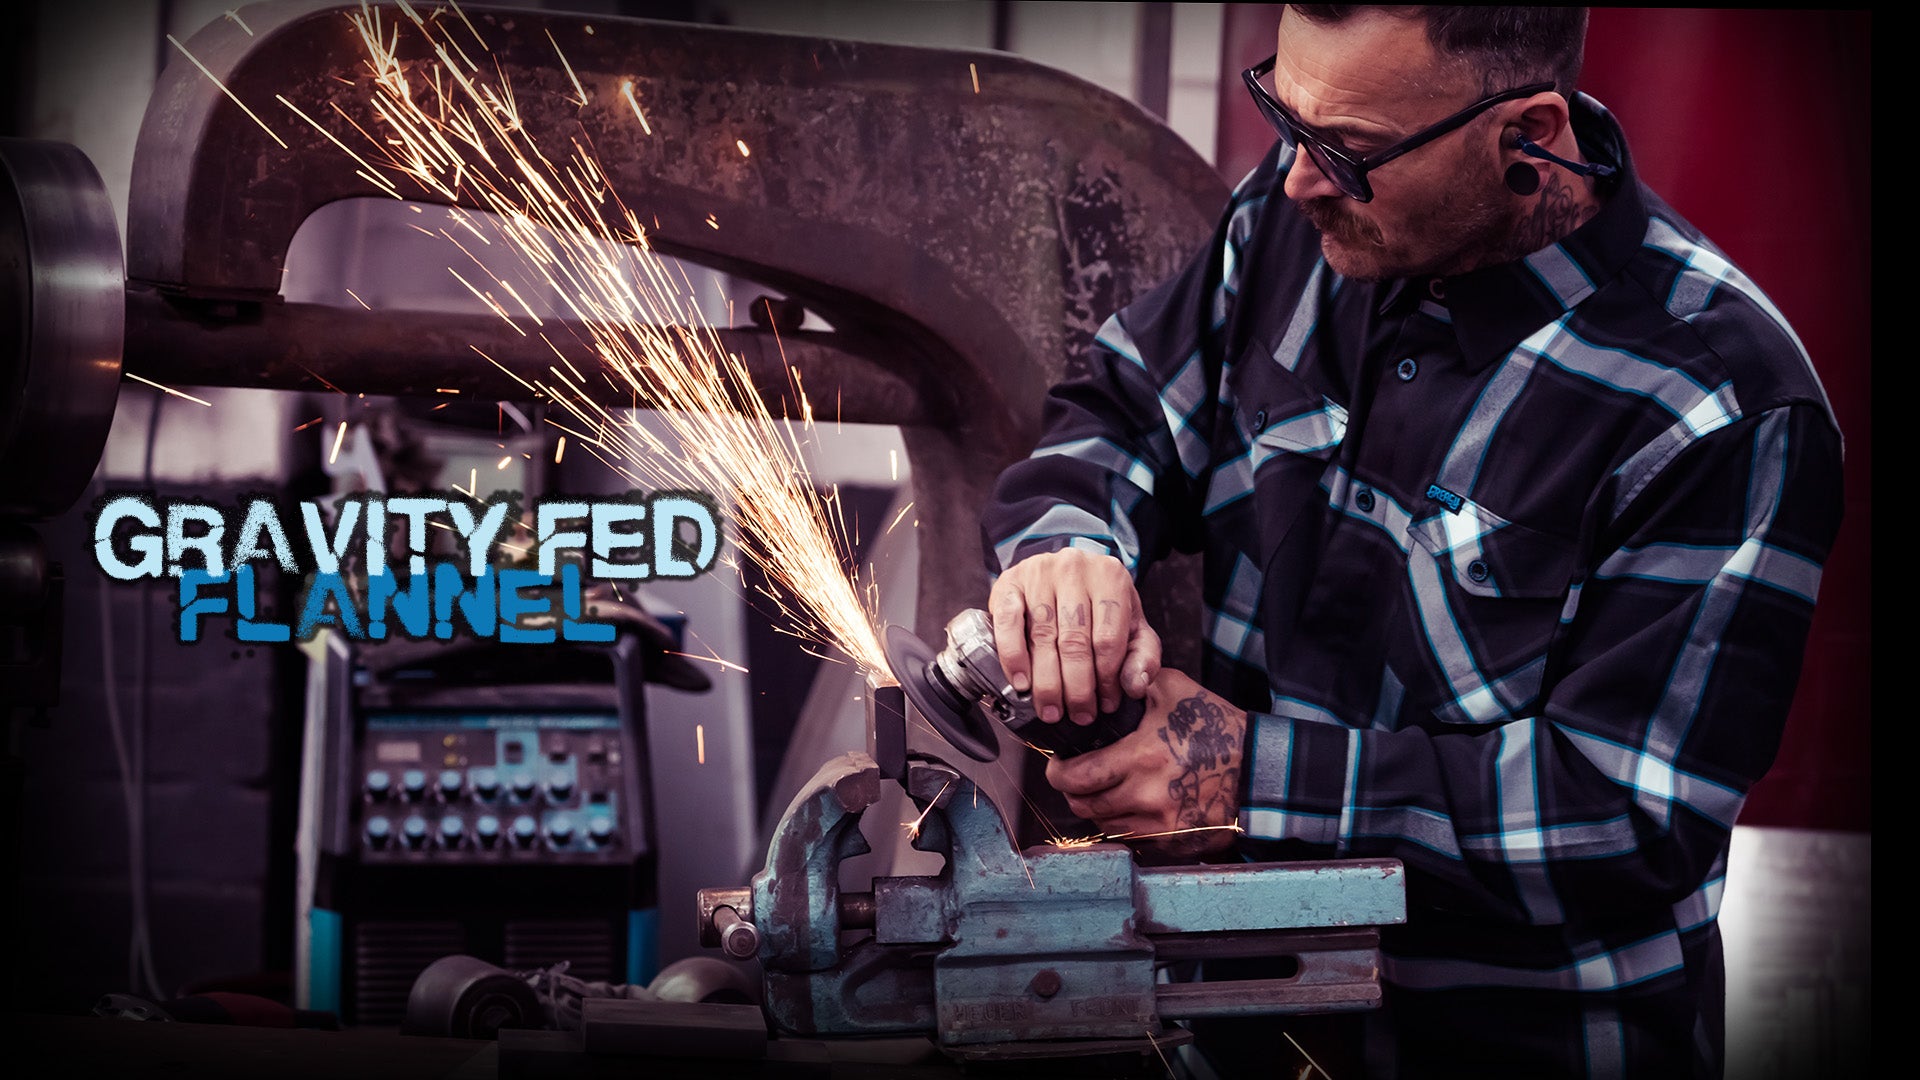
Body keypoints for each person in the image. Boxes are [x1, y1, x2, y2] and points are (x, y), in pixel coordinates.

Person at [978, 6, 1843, 1077]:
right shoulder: (1296, 216)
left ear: (1525, 133)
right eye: (1281, 115)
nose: (1296, 176)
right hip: (1232, 1024)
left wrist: (1248, 779)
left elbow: (1625, 816)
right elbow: (1123, 409)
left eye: (1346, 148)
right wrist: (1071, 551)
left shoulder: (1721, 403)